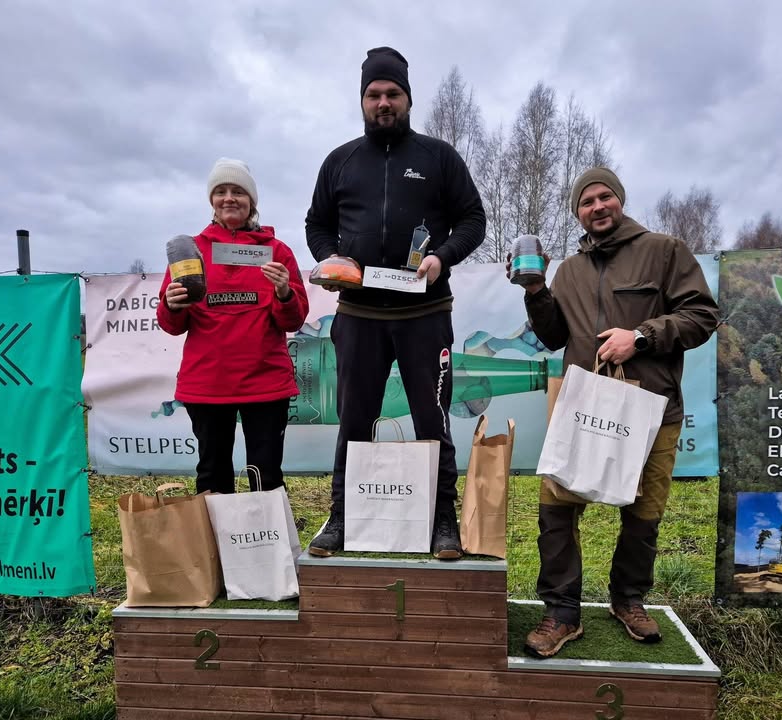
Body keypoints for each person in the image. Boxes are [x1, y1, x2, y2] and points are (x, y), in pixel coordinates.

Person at [512, 167, 718, 656]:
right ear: (578, 213)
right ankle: (562, 612)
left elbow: (702, 315)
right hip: (582, 407)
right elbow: (554, 337)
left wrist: (640, 337)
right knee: (557, 509)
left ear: (619, 200)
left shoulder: (664, 250)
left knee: (644, 514)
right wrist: (536, 292)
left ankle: (628, 600)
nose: (597, 206)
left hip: (652, 409)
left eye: (605, 197)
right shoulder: (569, 270)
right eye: (586, 202)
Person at [305, 47, 486, 559]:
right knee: (354, 420)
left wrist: (442, 257)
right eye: (374, 94)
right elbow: (316, 224)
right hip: (359, 314)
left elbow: (473, 219)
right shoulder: (339, 161)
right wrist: (331, 258)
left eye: (392, 94)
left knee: (433, 420)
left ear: (408, 98)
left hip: (424, 314)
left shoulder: (438, 157)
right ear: (362, 100)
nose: (383, 103)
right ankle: (342, 517)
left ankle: (443, 522)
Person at [158, 157, 310, 494]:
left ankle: (267, 531)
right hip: (207, 382)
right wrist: (172, 304)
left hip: (266, 381)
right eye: (221, 191)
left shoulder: (276, 251)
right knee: (212, 476)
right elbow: (171, 325)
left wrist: (284, 292)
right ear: (211, 200)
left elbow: (294, 319)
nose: (229, 198)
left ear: (251, 201)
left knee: (266, 476)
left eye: (238, 192)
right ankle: (217, 532)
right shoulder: (191, 251)